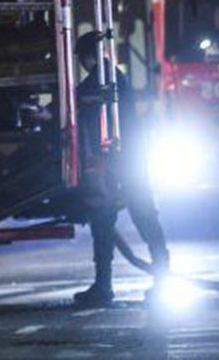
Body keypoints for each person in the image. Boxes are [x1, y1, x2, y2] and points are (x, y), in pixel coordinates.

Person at [73, 31, 170, 307]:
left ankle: (105, 287)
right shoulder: (110, 75)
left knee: (113, 221)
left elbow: (79, 100)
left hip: (123, 160)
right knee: (136, 218)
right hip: (128, 158)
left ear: (87, 56)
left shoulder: (103, 77)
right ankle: (154, 279)